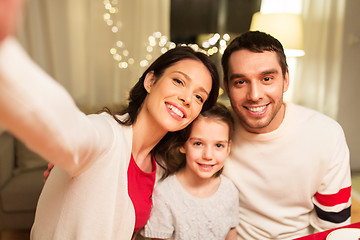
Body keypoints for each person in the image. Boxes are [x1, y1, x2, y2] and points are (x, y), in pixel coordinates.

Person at [0, 24, 220, 240]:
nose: (187, 98)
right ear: (151, 81)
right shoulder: (105, 135)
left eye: (199, 97)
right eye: (179, 81)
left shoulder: (160, 167)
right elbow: (64, 127)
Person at [221, 30, 351, 239]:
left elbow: (333, 227)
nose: (255, 95)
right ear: (226, 87)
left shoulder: (326, 135)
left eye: (267, 78)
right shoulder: (213, 132)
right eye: (241, 82)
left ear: (286, 79)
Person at [140, 103, 239, 240]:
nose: (208, 155)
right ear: (182, 144)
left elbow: (231, 234)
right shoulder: (165, 196)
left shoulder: (229, 190)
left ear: (228, 148)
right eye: (198, 143)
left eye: (218, 145)